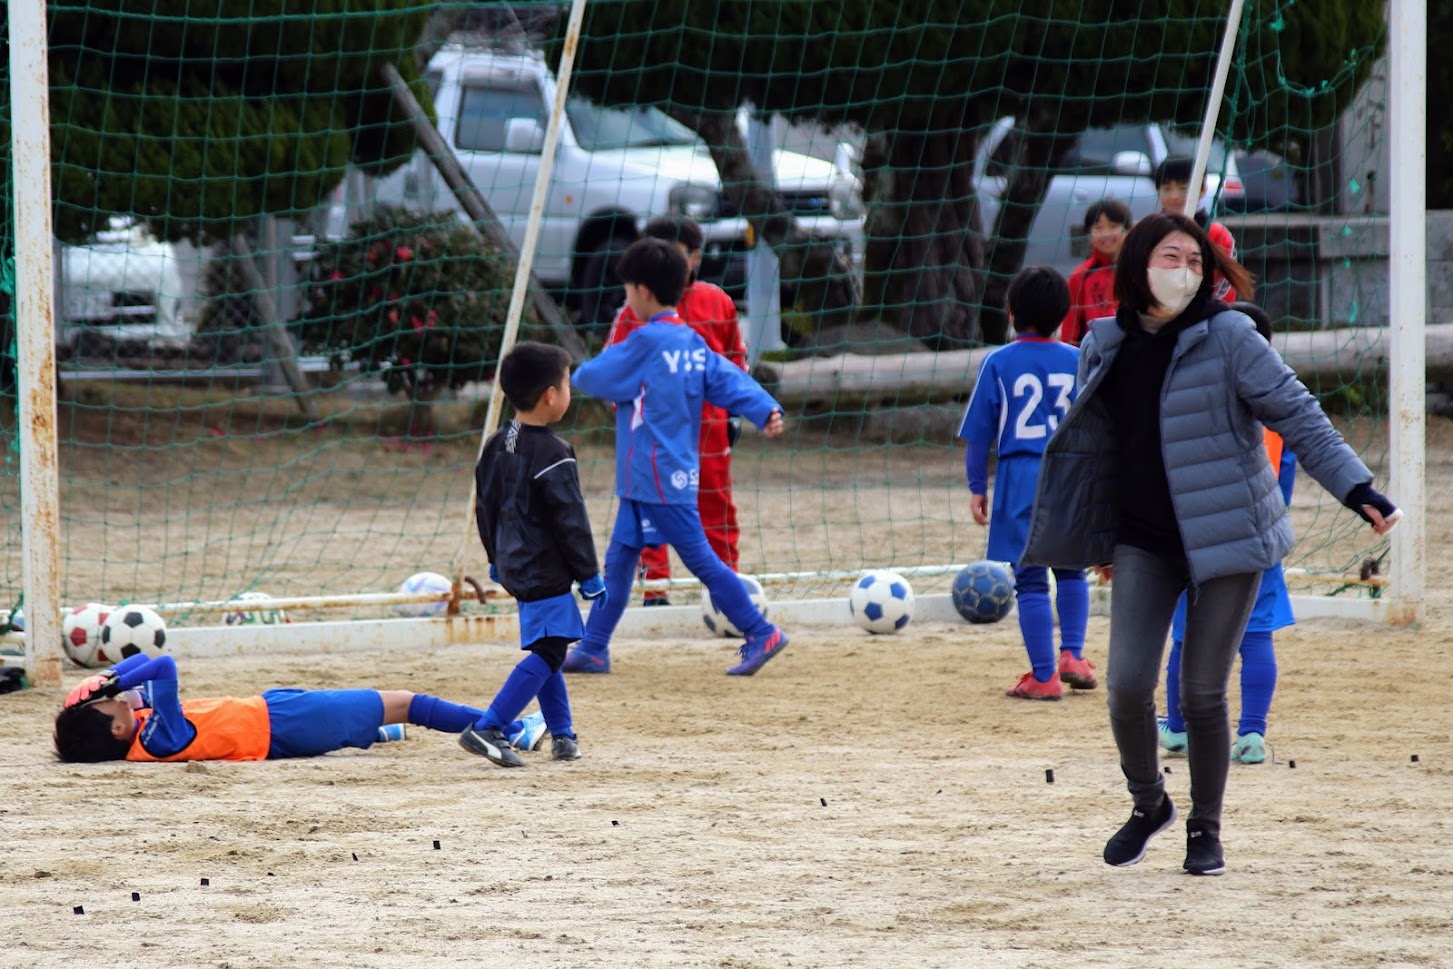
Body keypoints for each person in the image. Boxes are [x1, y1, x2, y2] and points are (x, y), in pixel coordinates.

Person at [1022, 212, 1401, 877]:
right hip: (1143, 540)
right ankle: (1149, 804)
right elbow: (1099, 450)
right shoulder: (1104, 340)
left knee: (1201, 692)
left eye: (1197, 262)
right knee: (1125, 686)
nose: (1186, 271)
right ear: (1138, 264)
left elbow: (1298, 413)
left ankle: (1205, 827)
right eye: (1172, 257)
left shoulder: (1231, 336)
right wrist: (1099, 536)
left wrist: (1355, 486)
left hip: (1230, 535)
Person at [561, 238, 788, 677]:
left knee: (702, 561)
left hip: (656, 477)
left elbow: (592, 377)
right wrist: (764, 409)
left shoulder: (644, 341)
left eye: (627, 289)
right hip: (651, 477)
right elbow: (729, 378)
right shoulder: (691, 341)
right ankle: (593, 648)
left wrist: (590, 376)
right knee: (620, 562)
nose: (627, 298)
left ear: (643, 291)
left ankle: (762, 632)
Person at [1160, 302, 1294, 766]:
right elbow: (1285, 484)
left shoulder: (1198, 397)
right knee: (1256, 635)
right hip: (1259, 534)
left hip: (1199, 536)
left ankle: (1179, 730)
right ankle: (1252, 734)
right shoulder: (1281, 406)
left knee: (1186, 635)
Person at [459, 340, 605, 767]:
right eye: (568, 384)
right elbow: (571, 521)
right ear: (550, 396)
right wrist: (589, 574)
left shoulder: (495, 445)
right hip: (545, 570)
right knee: (551, 650)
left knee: (548, 645)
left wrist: (494, 557)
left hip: (514, 565)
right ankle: (489, 726)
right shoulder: (554, 453)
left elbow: (483, 507)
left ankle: (562, 734)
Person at [959, 266, 1093, 700]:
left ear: (1012, 312)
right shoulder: (1078, 359)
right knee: (1071, 569)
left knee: (1030, 578)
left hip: (1021, 476)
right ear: (1062, 315)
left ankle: (1044, 677)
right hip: (1070, 472)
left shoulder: (998, 362)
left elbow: (980, 433)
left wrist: (977, 486)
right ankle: (1072, 655)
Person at [605, 216, 748, 605]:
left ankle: (724, 590)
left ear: (695, 258)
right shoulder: (634, 311)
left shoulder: (717, 301)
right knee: (650, 509)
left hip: (708, 430)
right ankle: (655, 590)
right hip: (654, 434)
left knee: (716, 508)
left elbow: (735, 360)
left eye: (672, 254)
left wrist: (734, 411)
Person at [53, 652, 548, 763]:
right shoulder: (158, 735)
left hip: (275, 715)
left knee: (378, 712)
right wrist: (112, 679)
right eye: (107, 704)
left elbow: (141, 666)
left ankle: (373, 731)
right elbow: (160, 664)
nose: (113, 698)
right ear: (116, 729)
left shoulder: (140, 733)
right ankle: (506, 730)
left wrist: (105, 684)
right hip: (288, 724)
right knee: (409, 702)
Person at [1154, 156, 1238, 303]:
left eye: (1183, 189)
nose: (1174, 196)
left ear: (1202, 189)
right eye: (1167, 189)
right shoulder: (1149, 232)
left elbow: (1225, 284)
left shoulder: (1216, 233)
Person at [1061, 199, 1131, 347]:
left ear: (1127, 229)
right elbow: (1070, 326)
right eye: (1098, 228)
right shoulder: (1080, 275)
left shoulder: (1137, 270)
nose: (1106, 234)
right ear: (1088, 234)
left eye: (1113, 227)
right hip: (1093, 353)